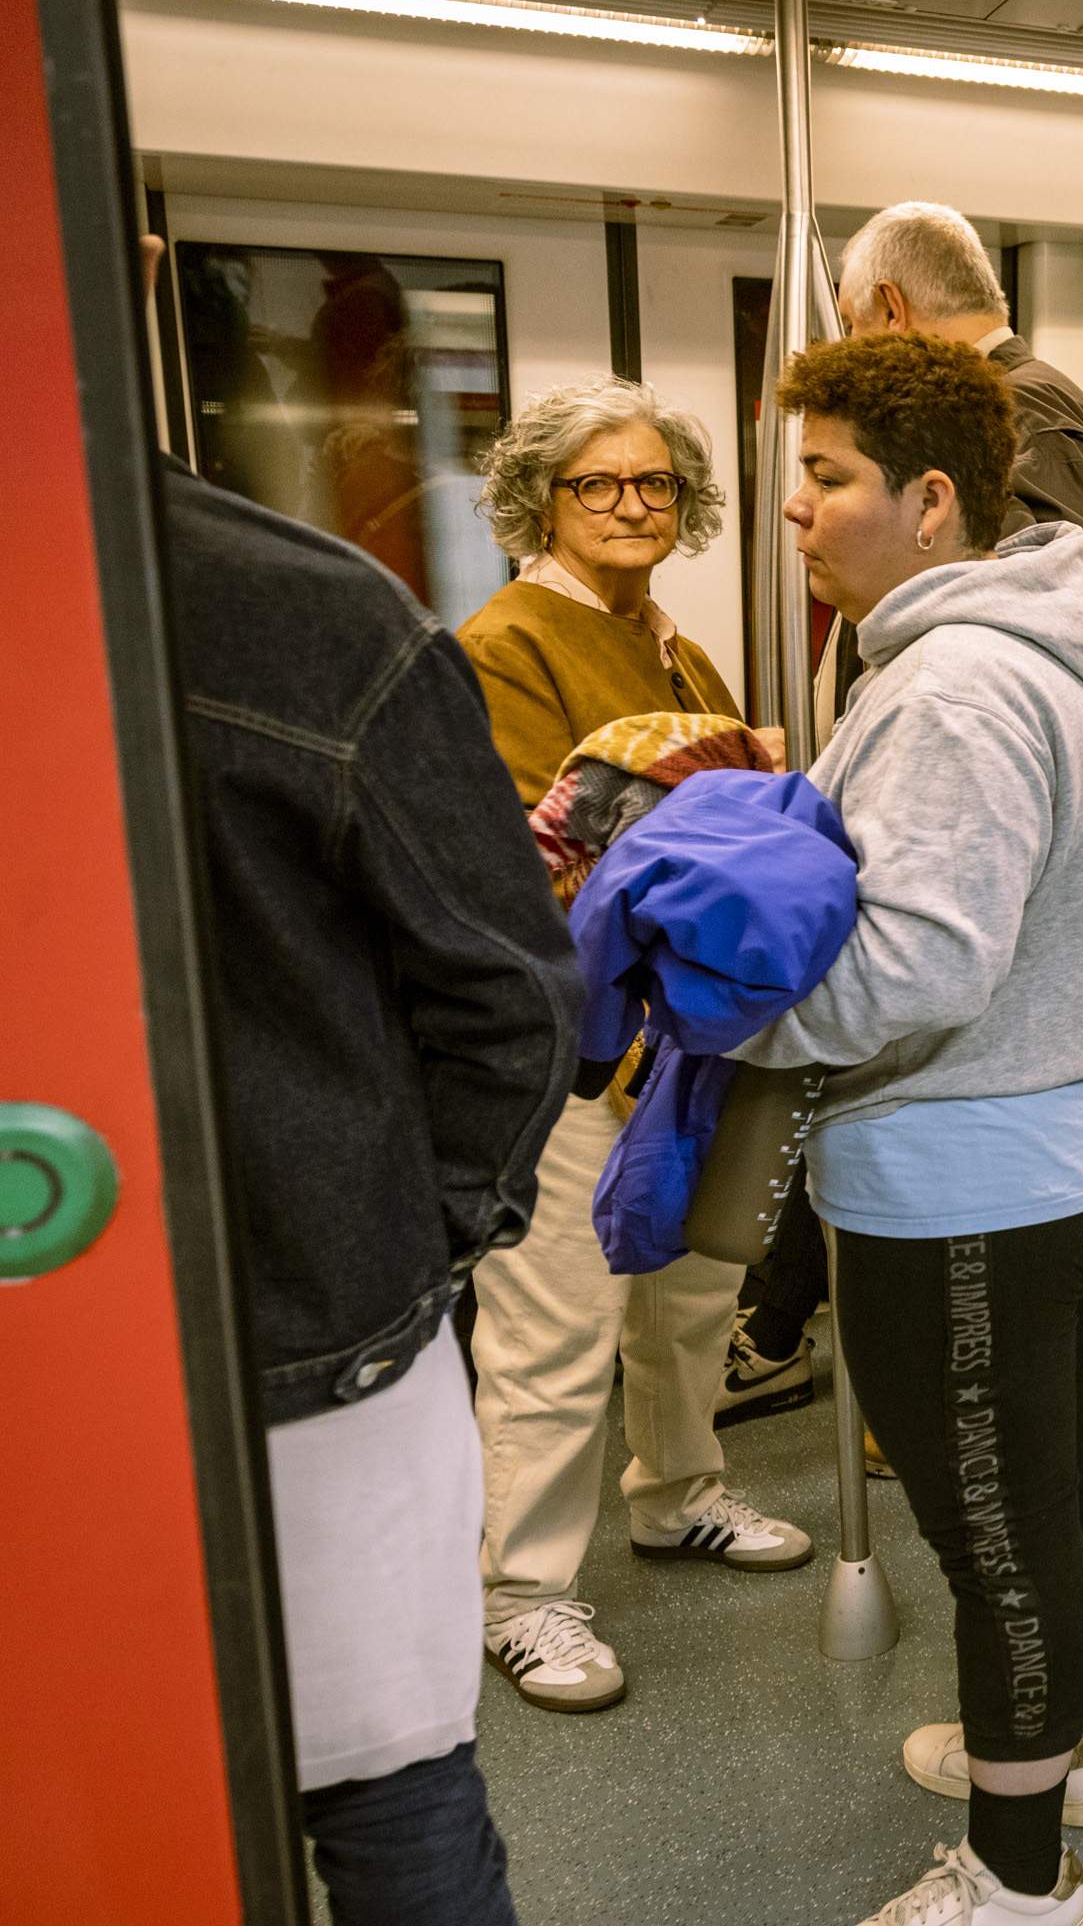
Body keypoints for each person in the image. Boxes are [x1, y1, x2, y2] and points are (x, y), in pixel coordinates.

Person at [154, 221, 575, 1921]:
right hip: (323, 1324)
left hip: (21, 1366)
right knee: (388, 1787)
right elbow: (511, 996)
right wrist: (414, 1234)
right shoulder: (315, 617)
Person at [734, 331, 1083, 1926]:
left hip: (963, 1169)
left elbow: (915, 965)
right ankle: (1072, 1748)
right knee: (1050, 1477)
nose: (799, 510)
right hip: (1060, 1146)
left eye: (828, 477)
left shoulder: (958, 685)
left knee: (995, 1536)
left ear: (929, 502)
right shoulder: (1062, 646)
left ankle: (1018, 1876)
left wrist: (726, 1019)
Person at [807, 196, 1083, 1541]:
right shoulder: (1042, 418)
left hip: (1023, 1026)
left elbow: (1053, 671)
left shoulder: (1020, 438)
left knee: (1024, 1465)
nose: (807, 509)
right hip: (1019, 986)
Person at [459, 377, 812, 1716]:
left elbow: (698, 808)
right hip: (573, 1040)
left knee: (687, 1300)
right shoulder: (507, 639)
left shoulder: (676, 644)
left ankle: (679, 1496)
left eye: (655, 482)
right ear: (542, 500)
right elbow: (535, 852)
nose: (631, 503)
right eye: (598, 482)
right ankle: (525, 1593)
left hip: (690, 1040)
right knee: (552, 1330)